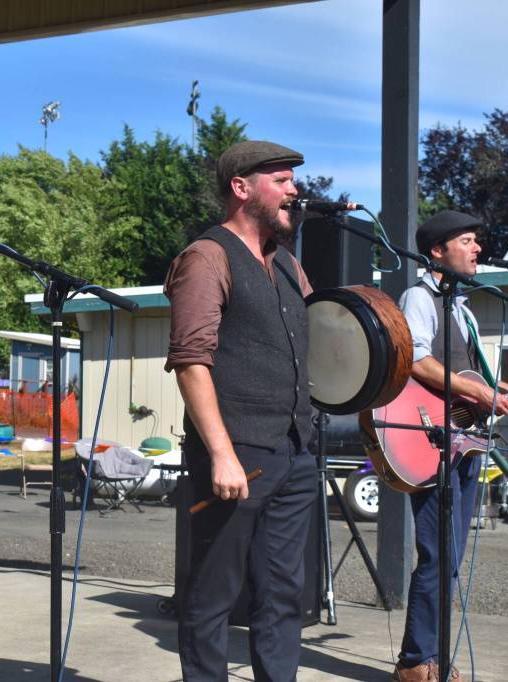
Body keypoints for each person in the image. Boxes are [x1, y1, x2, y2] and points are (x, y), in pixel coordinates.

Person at [393, 210, 508, 682]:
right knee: (437, 554)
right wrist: (479, 393)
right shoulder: (419, 296)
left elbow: (484, 384)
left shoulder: (464, 310)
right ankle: (415, 661)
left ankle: (432, 657)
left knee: (452, 557)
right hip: (430, 438)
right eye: (468, 240)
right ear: (437, 251)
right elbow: (416, 360)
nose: (477, 249)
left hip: (465, 444)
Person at [165, 140, 319, 682]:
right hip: (238, 454)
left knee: (282, 594)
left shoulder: (287, 266)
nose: (294, 190)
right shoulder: (207, 257)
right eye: (281, 180)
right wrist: (222, 454)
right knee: (213, 595)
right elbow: (190, 362)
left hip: (295, 451)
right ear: (241, 188)